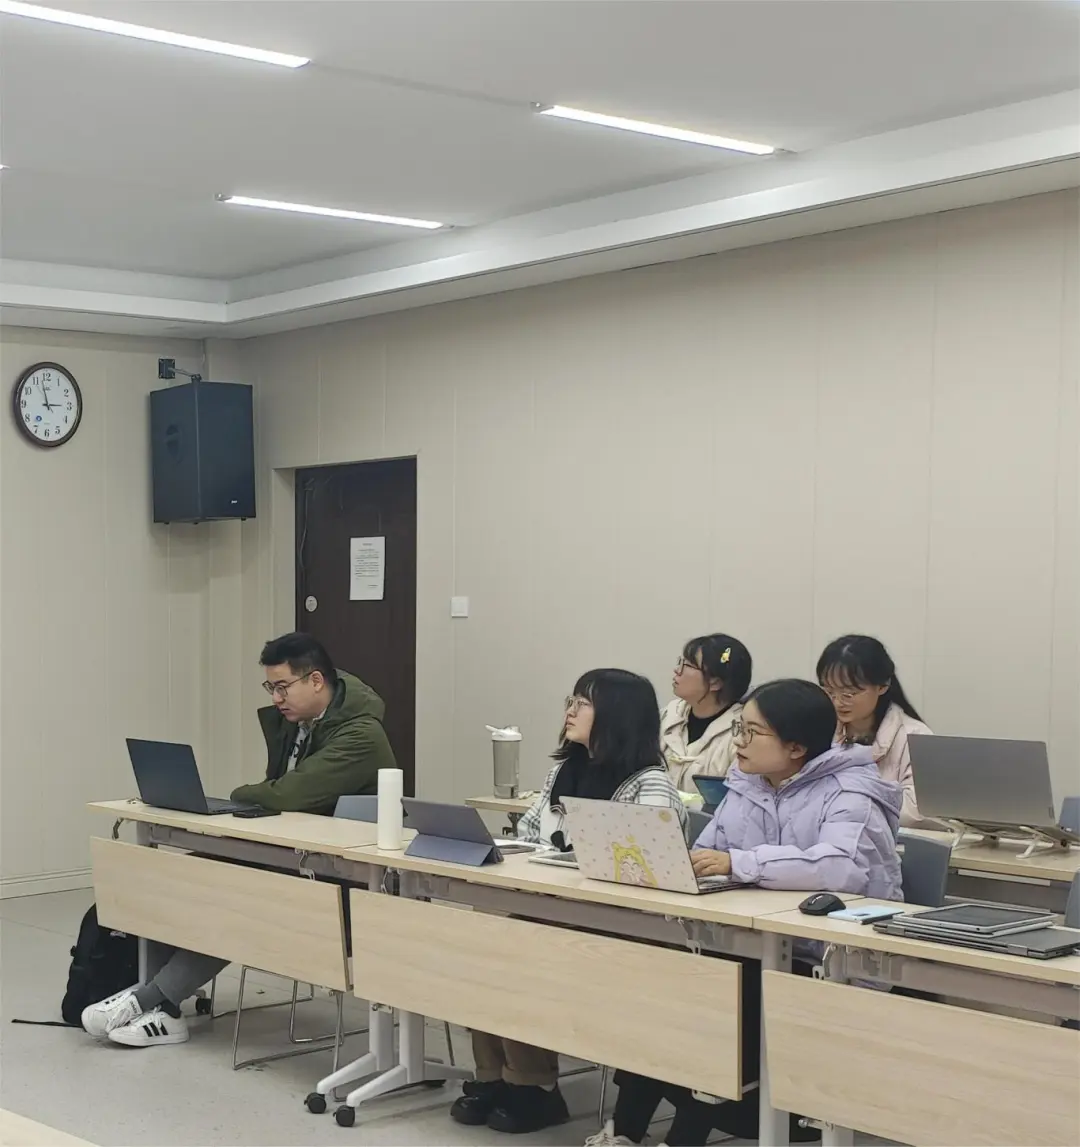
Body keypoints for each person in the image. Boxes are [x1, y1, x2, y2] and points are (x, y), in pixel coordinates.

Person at [588, 678, 903, 1147]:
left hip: (834, 959)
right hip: (752, 945)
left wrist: (741, 863)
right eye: (739, 728)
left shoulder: (850, 791)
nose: (738, 741)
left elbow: (841, 868)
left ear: (796, 747)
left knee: (719, 993)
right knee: (665, 981)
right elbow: (707, 853)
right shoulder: (746, 786)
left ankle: (682, 1138)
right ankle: (624, 1132)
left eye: (752, 732)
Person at [82, 632, 396, 1049]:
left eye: (283, 686)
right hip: (293, 857)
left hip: (343, 880)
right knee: (174, 877)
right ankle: (160, 1007)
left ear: (317, 680)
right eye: (271, 687)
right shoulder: (300, 725)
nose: (276, 698)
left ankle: (149, 1001)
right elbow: (284, 796)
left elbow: (287, 794)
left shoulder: (361, 735)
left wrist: (240, 795)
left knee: (237, 900)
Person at [452, 669, 686, 1136]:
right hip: (550, 907)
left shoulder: (650, 785)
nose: (570, 710)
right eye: (571, 700)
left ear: (617, 715)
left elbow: (645, 870)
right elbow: (528, 833)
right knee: (481, 939)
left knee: (516, 948)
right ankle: (492, 1076)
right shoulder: (563, 770)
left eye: (584, 703)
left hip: (617, 928)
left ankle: (534, 1086)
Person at [817, 634, 938, 829]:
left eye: (849, 693)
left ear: (883, 685)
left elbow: (917, 810)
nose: (838, 702)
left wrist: (845, 808)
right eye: (829, 691)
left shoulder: (914, 735)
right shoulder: (819, 728)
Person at [660, 634, 752, 793]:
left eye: (687, 665)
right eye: (680, 662)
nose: (677, 670)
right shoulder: (670, 714)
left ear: (715, 682)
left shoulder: (741, 733)